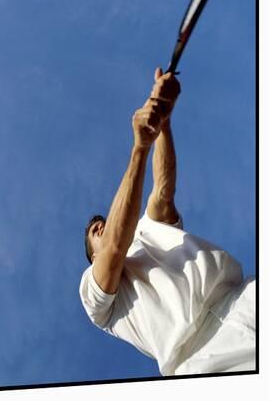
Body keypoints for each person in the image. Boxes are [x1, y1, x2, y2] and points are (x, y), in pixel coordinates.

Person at [79, 68, 255, 376]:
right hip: (204, 360)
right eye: (96, 231)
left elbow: (162, 191)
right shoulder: (97, 299)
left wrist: (162, 121)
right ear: (93, 256)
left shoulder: (148, 229)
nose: (102, 225)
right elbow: (114, 247)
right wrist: (139, 148)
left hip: (245, 297)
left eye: (103, 221)